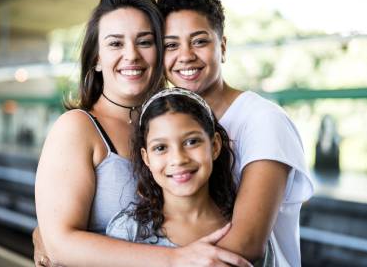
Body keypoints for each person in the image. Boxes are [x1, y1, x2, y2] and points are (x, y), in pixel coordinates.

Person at [34, 0, 252, 267]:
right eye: (115, 43)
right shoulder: (77, 127)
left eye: (145, 41)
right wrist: (175, 259)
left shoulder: (172, 123)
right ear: (96, 58)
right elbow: (59, 244)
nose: (132, 55)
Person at [157, 0, 314, 266]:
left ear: (223, 47)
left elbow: (247, 244)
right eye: (171, 45)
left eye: (199, 41)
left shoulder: (263, 121)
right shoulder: (165, 125)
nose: (185, 55)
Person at [107, 88, 275, 267]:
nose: (178, 159)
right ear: (146, 157)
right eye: (161, 148)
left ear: (215, 146)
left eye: (191, 142)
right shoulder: (129, 230)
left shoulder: (245, 229)